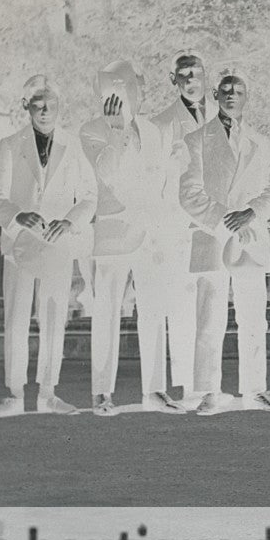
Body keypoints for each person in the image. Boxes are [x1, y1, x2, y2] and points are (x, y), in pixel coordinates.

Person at [0, 75, 96, 417]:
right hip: (20, 245)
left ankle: (48, 393)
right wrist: (18, 216)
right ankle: (15, 395)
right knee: (17, 319)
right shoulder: (9, 145)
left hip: (57, 245)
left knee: (54, 318)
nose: (45, 110)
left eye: (52, 103)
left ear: (60, 106)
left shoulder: (74, 146)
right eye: (38, 103)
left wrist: (69, 222)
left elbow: (89, 196)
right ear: (25, 106)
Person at [80, 61, 187, 416]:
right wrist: (116, 133)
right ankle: (101, 393)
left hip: (151, 236)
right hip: (113, 237)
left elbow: (162, 183)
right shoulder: (92, 130)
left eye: (134, 87)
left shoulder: (154, 130)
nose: (130, 95)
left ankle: (154, 390)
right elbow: (107, 174)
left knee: (154, 311)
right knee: (106, 313)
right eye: (120, 89)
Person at [179, 66, 270, 414]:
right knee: (209, 319)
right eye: (225, 90)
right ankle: (209, 391)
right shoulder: (196, 140)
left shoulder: (261, 142)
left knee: (254, 318)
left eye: (238, 91)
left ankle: (255, 390)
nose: (231, 96)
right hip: (212, 237)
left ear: (246, 97)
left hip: (250, 237)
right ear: (215, 95)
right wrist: (228, 220)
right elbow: (189, 193)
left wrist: (251, 213)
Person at [150, 52, 216, 406]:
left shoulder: (223, 116)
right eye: (184, 74)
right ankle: (187, 386)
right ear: (173, 79)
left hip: (214, 225)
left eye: (197, 72)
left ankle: (209, 386)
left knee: (211, 308)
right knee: (180, 308)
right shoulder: (161, 125)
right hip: (177, 228)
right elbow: (155, 182)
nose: (191, 80)